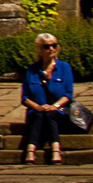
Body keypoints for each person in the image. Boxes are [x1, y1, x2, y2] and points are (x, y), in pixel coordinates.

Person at [20, 32, 75, 165]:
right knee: (39, 114)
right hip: (37, 111)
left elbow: (68, 94)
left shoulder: (64, 67)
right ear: (40, 49)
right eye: (47, 46)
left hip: (58, 111)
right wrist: (37, 106)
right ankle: (30, 150)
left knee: (50, 114)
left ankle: (56, 150)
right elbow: (25, 97)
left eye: (54, 46)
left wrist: (54, 106)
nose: (51, 49)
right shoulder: (32, 70)